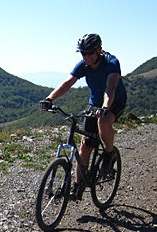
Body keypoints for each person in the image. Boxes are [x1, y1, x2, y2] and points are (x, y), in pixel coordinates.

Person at [42, 33, 127, 200]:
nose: (86, 57)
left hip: (115, 102)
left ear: (99, 50)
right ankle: (77, 186)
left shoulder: (111, 63)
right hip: (94, 104)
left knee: (103, 121)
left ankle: (109, 154)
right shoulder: (84, 65)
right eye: (83, 53)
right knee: (85, 147)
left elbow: (109, 90)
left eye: (90, 53)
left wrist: (104, 108)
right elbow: (67, 83)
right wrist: (49, 98)